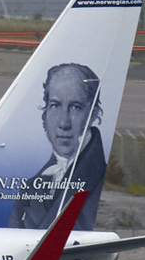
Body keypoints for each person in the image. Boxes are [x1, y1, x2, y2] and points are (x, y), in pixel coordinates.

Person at [8, 62, 107, 231]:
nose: (64, 123)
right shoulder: (31, 186)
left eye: (75, 107)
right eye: (55, 105)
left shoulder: (97, 180)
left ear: (93, 114)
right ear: (45, 113)